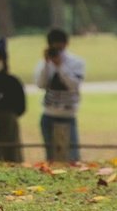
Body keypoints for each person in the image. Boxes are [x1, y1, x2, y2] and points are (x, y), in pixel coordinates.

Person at [34, 28, 85, 162]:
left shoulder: (76, 62)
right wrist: (46, 63)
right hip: (48, 114)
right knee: (51, 157)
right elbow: (40, 84)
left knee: (72, 156)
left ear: (66, 44)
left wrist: (60, 66)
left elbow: (74, 85)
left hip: (68, 114)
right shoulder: (45, 63)